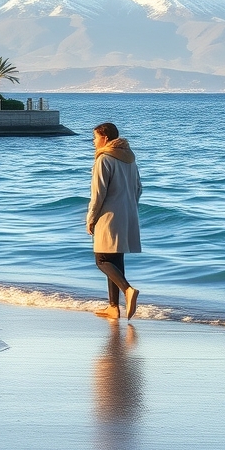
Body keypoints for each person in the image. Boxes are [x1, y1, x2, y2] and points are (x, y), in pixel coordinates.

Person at [86, 122, 142, 319]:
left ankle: (127, 290)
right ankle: (113, 307)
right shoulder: (130, 159)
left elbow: (98, 194)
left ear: (105, 139)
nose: (93, 142)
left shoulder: (104, 159)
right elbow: (139, 188)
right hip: (128, 214)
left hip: (108, 216)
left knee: (101, 260)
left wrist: (91, 218)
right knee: (115, 261)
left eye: (95, 138)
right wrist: (129, 207)